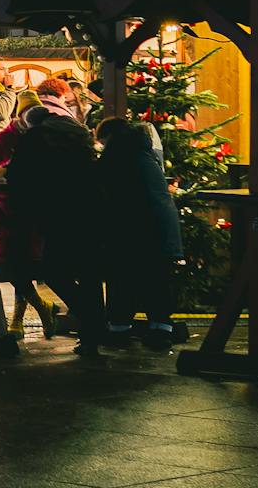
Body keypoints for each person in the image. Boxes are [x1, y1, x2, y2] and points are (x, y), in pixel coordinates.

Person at [6, 78, 107, 355]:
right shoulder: (80, 133)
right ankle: (92, 335)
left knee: (53, 270)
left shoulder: (35, 139)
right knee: (89, 274)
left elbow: (17, 177)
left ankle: (92, 320)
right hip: (89, 209)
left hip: (55, 212)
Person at [97, 118, 182, 350]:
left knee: (123, 279)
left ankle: (119, 330)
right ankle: (161, 329)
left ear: (110, 138)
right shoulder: (144, 153)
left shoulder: (115, 157)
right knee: (157, 279)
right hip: (160, 227)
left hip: (132, 230)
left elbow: (105, 195)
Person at [0, 89, 55, 337]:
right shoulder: (4, 138)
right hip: (6, 209)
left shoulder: (43, 136)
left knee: (24, 262)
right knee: (13, 262)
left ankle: (19, 319)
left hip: (31, 210)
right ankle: (40, 308)